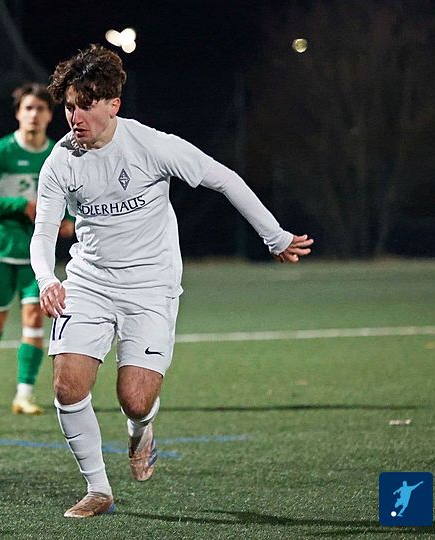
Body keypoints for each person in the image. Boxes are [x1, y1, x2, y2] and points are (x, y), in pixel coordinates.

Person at [29, 45, 313, 518]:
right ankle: (98, 488)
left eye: (85, 105)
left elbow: (224, 178)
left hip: (151, 287)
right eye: (70, 106)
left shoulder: (151, 146)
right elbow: (43, 233)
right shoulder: (61, 161)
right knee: (67, 385)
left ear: (113, 105)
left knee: (135, 398)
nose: (74, 117)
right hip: (89, 282)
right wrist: (46, 278)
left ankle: (141, 430)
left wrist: (275, 236)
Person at [0, 82, 73, 415]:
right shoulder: (0, 152)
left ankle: (24, 394)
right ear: (18, 114)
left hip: (35, 254)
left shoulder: (59, 155)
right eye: (28, 108)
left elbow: (71, 197)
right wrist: (22, 205)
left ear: (50, 115)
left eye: (41, 109)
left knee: (34, 317)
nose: (34, 115)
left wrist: (69, 220)